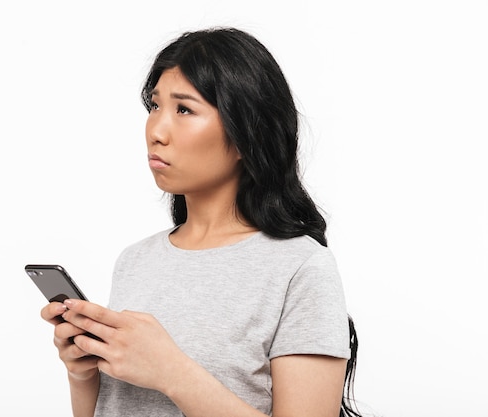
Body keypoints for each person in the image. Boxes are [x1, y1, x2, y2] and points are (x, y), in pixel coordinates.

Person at [41, 27, 362, 417]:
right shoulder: (135, 261)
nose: (156, 131)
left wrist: (172, 372)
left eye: (184, 109)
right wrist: (82, 375)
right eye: (155, 106)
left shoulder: (299, 268)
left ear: (246, 133)